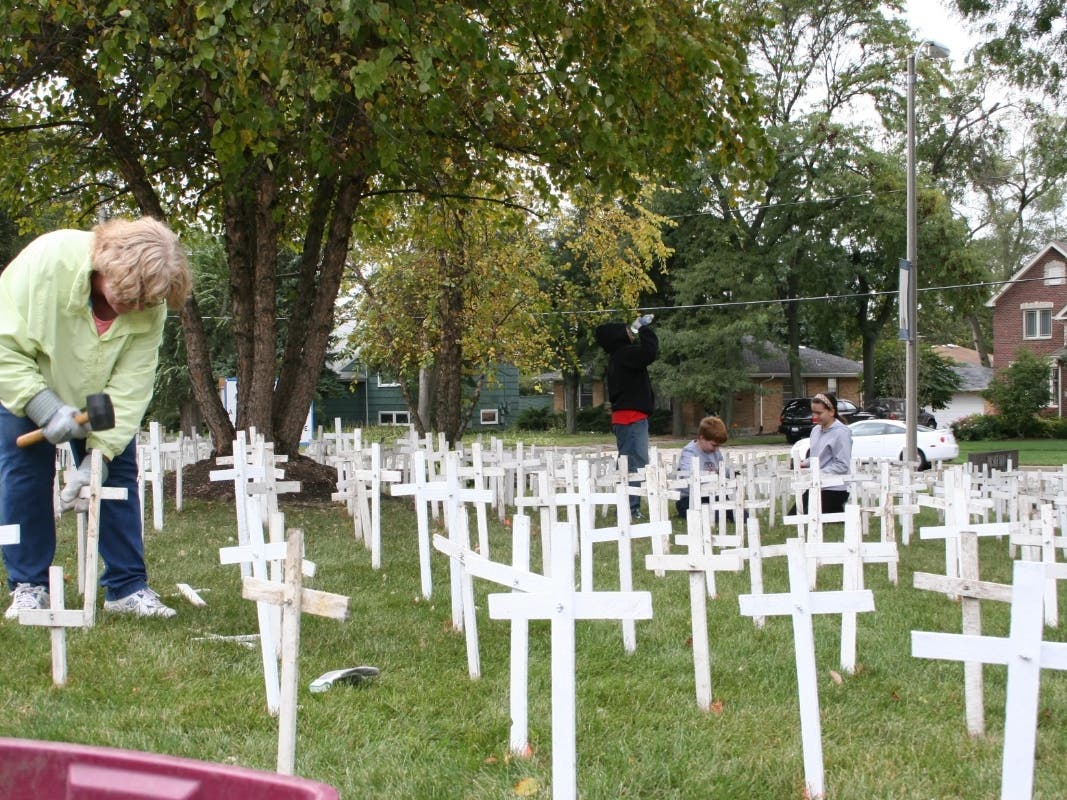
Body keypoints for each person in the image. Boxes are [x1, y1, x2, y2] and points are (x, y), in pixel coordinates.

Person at [0, 217, 192, 619]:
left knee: (117, 477)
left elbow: (132, 382)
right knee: (25, 474)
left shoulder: (150, 302)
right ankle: (29, 586)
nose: (136, 309)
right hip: (30, 381)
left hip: (99, 395)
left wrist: (99, 456)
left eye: (146, 303)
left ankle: (126, 586)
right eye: (129, 297)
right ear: (107, 267)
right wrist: (43, 407)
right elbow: (5, 346)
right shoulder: (46, 263)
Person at [595, 313, 658, 520]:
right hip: (631, 418)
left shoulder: (619, 356)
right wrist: (645, 329)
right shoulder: (625, 354)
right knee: (635, 462)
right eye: (626, 332)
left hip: (628, 417)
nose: (630, 333)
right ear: (619, 338)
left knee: (628, 460)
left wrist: (637, 329)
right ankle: (631, 507)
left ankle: (626, 502)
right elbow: (650, 352)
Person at [789, 392, 853, 515]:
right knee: (794, 516)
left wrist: (819, 473)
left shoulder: (842, 433)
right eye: (813, 412)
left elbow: (842, 465)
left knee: (811, 517)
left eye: (819, 413)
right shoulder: (815, 431)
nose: (815, 416)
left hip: (834, 488)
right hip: (816, 485)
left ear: (831, 412)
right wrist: (804, 463)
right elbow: (816, 458)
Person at [674, 415, 729, 517]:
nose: (717, 449)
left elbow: (723, 471)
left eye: (718, 446)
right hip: (690, 498)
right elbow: (688, 477)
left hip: (712, 494)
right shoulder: (689, 452)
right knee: (709, 515)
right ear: (702, 438)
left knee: (732, 511)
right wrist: (711, 478)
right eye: (714, 445)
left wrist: (729, 473)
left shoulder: (716, 453)